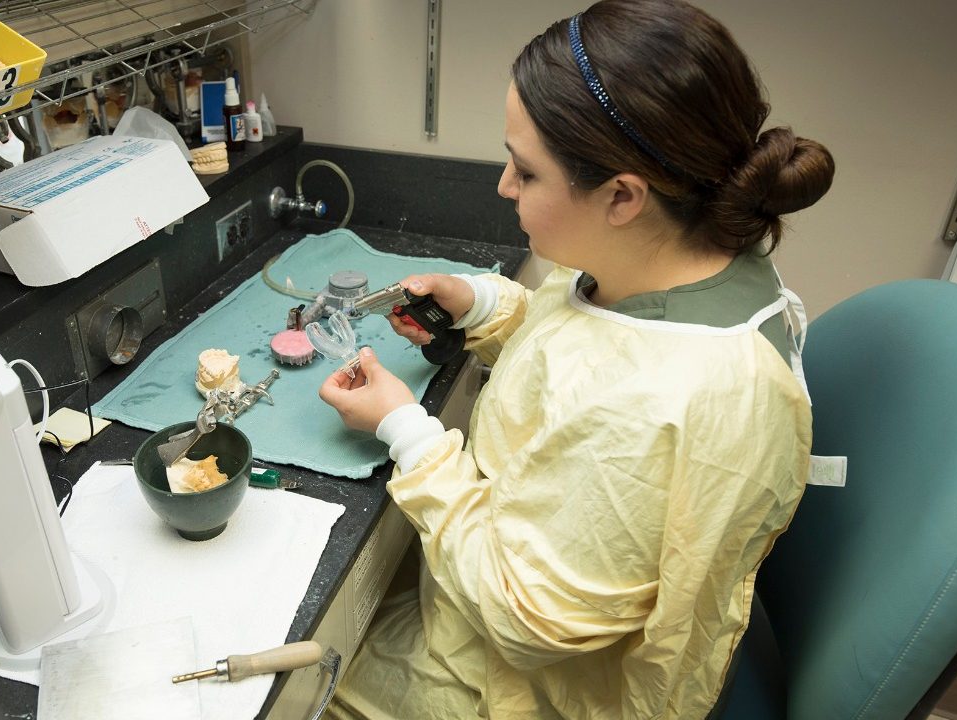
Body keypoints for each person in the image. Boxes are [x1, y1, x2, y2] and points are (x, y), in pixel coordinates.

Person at [317, 0, 835, 718]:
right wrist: (478, 304)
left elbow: (526, 619)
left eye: (526, 172)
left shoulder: (679, 395)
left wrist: (406, 430)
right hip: (509, 583)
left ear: (622, 195)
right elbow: (586, 341)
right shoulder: (686, 252)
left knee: (296, 682)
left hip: (530, 685)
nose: (504, 185)